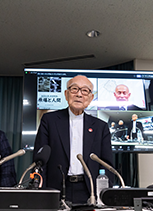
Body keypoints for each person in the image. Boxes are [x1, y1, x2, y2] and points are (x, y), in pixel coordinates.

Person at [34, 75, 114, 204]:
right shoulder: (49, 121)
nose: (79, 94)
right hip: (56, 189)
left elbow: (107, 165)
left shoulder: (101, 127)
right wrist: (42, 193)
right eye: (74, 89)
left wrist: (103, 196)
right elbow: (40, 161)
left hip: (90, 190)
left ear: (91, 97)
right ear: (66, 94)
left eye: (85, 91)